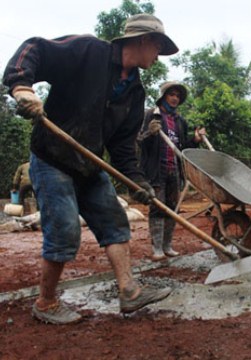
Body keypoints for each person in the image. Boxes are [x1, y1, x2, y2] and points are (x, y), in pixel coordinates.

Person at [3, 14, 178, 325]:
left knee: (114, 223)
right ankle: (46, 302)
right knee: (65, 229)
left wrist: (137, 181)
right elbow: (34, 49)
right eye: (157, 46)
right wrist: (22, 87)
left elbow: (123, 148)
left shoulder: (135, 91)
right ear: (141, 40)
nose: (157, 54)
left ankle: (129, 292)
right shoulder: (87, 51)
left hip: (90, 164)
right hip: (52, 157)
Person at [138, 81, 206, 261]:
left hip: (173, 170)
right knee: (157, 208)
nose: (175, 98)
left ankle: (167, 245)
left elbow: (182, 148)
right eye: (171, 94)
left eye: (177, 96)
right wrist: (151, 133)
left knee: (172, 208)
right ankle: (157, 248)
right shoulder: (151, 116)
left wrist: (195, 140)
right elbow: (139, 142)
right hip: (155, 170)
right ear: (163, 96)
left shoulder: (180, 121)